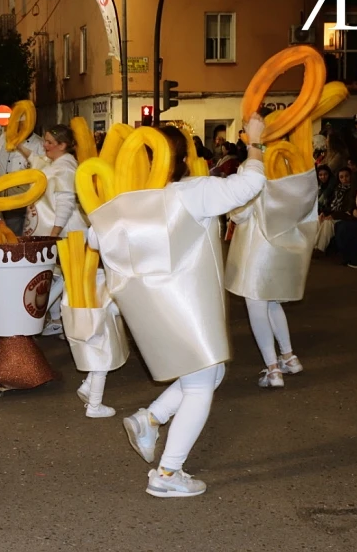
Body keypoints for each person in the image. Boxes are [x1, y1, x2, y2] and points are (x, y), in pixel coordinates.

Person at [95, 114, 266, 498]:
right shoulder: (192, 192)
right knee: (202, 384)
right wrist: (254, 143)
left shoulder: (126, 203)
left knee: (211, 373)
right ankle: (167, 475)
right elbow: (251, 183)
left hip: (149, 308)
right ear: (182, 159)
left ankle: (150, 419)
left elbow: (94, 239)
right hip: (187, 306)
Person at [226, 135, 318, 389]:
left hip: (256, 247)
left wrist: (231, 210)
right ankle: (289, 356)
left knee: (256, 306)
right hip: (283, 246)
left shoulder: (252, 166)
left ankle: (273, 368)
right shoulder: (295, 166)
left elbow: (241, 213)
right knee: (273, 303)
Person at [15, 125, 88, 337]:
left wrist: (53, 235)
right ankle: (57, 321)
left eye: (49, 142)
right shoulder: (55, 163)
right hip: (55, 232)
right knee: (55, 276)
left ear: (62, 145)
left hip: (66, 232)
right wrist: (17, 143)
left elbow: (65, 203)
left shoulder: (65, 168)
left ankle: (45, 317)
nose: (44, 146)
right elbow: (37, 158)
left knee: (63, 278)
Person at [0, 128, 44, 235]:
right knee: (0, 227)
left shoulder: (39, 144)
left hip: (21, 194)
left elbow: (42, 170)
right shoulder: (4, 137)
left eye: (21, 124)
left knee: (13, 229)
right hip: (1, 193)